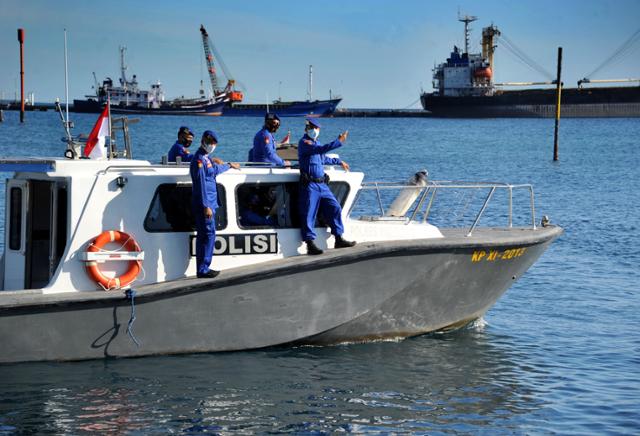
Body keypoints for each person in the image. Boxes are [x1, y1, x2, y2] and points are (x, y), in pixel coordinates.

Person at [297, 118, 356, 255]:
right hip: (310, 185)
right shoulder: (305, 143)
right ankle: (310, 243)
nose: (315, 130)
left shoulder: (316, 143)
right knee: (309, 213)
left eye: (316, 128)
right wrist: (339, 142)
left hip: (322, 184)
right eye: (312, 128)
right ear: (307, 128)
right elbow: (321, 149)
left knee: (334, 207)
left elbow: (323, 158)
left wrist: (339, 161)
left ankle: (338, 238)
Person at [190, 130, 240, 278]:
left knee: (207, 235)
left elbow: (215, 170)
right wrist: (206, 206)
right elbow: (200, 185)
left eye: (213, 143)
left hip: (210, 203)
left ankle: (204, 267)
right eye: (210, 143)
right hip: (205, 205)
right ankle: (203, 269)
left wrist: (229, 165)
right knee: (207, 235)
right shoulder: (199, 160)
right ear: (203, 142)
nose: (212, 145)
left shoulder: (206, 158)